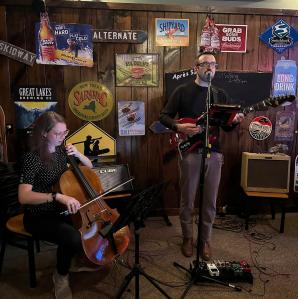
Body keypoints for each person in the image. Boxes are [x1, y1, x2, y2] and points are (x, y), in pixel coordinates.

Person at [159, 52, 244, 259]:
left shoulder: (220, 94)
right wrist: (179, 126)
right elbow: (163, 116)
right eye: (206, 64)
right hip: (190, 152)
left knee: (210, 201)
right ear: (195, 67)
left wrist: (235, 121)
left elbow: (228, 127)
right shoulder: (182, 90)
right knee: (187, 199)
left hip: (214, 153)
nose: (210, 68)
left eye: (213, 65)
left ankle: (205, 240)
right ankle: (188, 237)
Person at [18, 111, 93, 299]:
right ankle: (60, 275)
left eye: (64, 132)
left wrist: (78, 154)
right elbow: (23, 196)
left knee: (86, 231)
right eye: (57, 134)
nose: (62, 137)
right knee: (73, 237)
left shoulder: (62, 151)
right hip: (38, 215)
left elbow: (89, 168)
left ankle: (69, 261)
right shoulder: (32, 158)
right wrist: (56, 196)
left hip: (61, 210)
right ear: (44, 133)